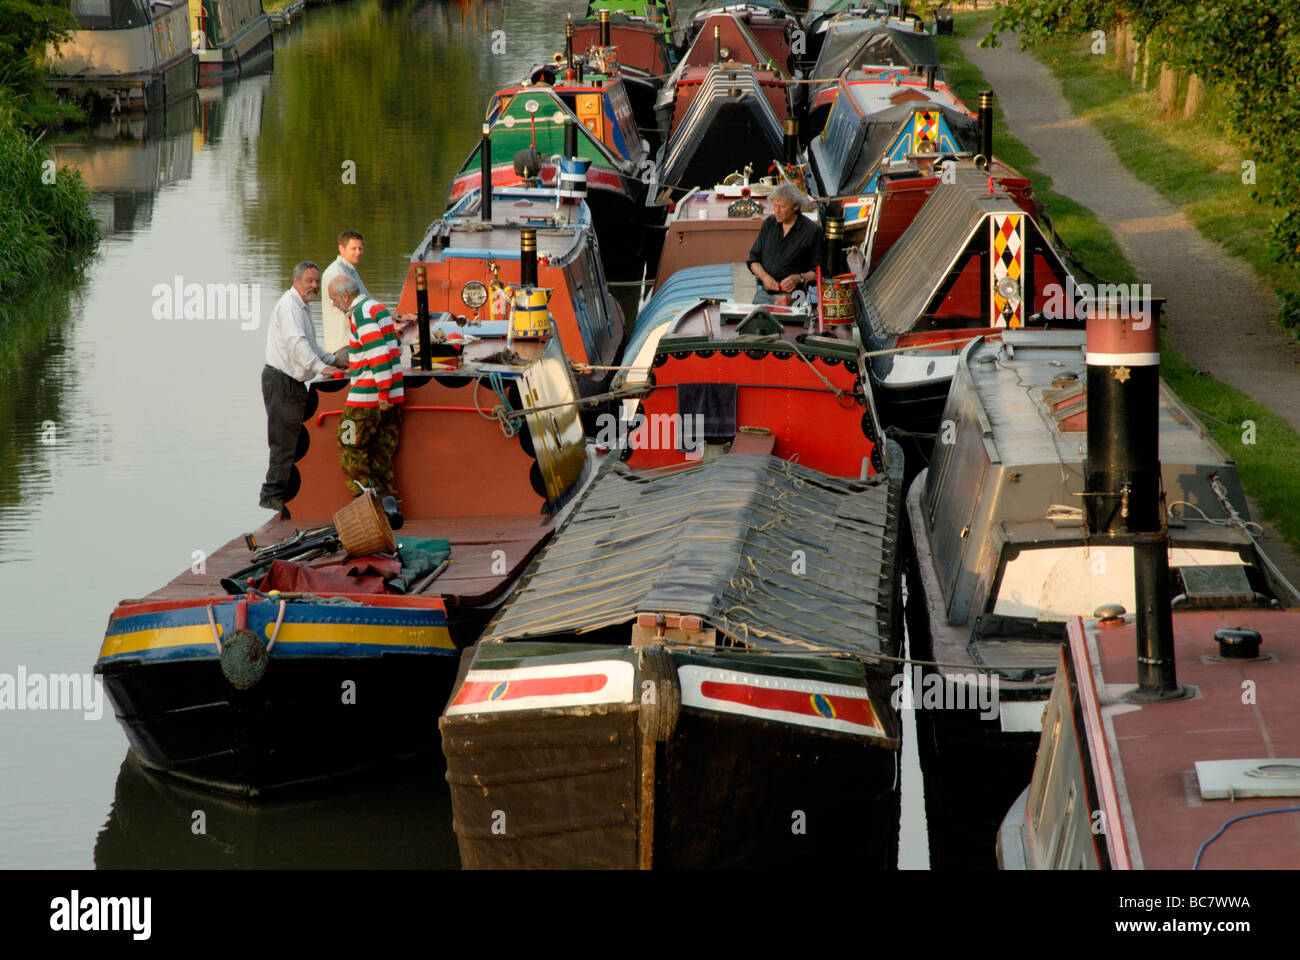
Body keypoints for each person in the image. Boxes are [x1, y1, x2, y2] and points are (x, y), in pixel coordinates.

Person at [260, 261, 346, 514]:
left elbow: (311, 345)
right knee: (284, 442)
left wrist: (334, 361)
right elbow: (297, 344)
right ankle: (273, 499)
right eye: (309, 281)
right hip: (281, 380)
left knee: (296, 440)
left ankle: (289, 497)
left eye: (317, 281)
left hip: (294, 382)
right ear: (296, 281)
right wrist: (322, 369)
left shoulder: (303, 308)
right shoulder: (289, 307)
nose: (314, 286)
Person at [329, 274, 404, 506]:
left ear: (345, 296)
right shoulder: (378, 308)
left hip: (368, 397)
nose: (333, 304)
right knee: (382, 453)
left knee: (349, 445)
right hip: (393, 395)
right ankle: (391, 507)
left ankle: (365, 506)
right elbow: (396, 347)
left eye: (333, 299)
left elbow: (378, 353)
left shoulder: (360, 314)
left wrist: (382, 393)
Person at [746, 182, 824, 305]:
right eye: (775, 206)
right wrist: (765, 277)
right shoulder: (769, 224)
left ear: (795, 206)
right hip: (763, 294)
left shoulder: (812, 232)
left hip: (795, 297)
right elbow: (753, 260)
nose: (777, 211)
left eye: (782, 207)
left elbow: (819, 272)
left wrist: (799, 278)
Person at [321, 229, 370, 355]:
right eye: (353, 248)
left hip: (353, 341)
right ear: (341, 249)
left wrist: (396, 317)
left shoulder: (351, 269)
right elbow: (353, 308)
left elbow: (366, 299)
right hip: (343, 345)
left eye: (360, 248)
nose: (358, 252)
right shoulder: (337, 273)